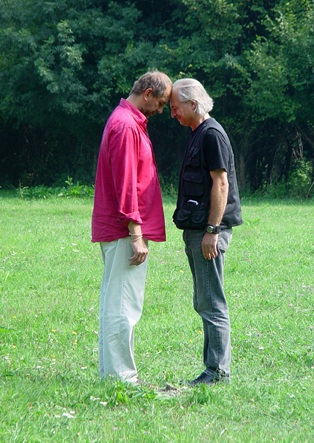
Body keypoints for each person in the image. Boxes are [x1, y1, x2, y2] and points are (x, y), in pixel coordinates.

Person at [91, 71, 172, 383]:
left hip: (121, 228)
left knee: (118, 302)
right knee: (123, 306)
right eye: (161, 103)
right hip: (124, 230)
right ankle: (121, 378)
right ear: (148, 93)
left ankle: (113, 374)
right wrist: (136, 234)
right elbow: (127, 185)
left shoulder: (127, 121)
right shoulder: (126, 125)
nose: (161, 111)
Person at [170, 78, 243, 386]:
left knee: (211, 301)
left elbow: (221, 183)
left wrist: (212, 230)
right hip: (198, 229)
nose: (173, 114)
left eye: (176, 108)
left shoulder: (211, 135)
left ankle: (217, 373)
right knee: (204, 300)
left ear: (193, 104)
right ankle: (213, 369)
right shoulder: (198, 133)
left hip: (208, 231)